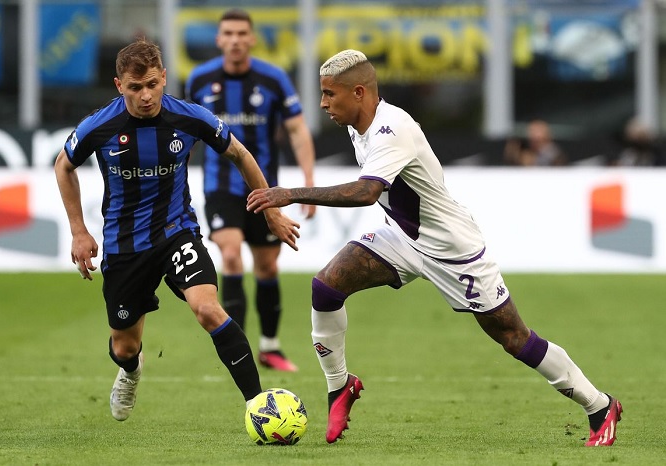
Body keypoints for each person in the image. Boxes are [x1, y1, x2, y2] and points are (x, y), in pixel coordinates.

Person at [247, 49, 621, 446]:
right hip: (403, 237)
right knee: (326, 286)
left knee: (514, 338)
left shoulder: (392, 128)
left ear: (359, 93)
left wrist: (290, 193)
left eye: (329, 94)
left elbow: (365, 192)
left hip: (453, 249)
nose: (323, 103)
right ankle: (339, 387)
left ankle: (599, 405)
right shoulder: (358, 123)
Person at [54, 38, 300, 422]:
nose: (146, 95)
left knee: (208, 309)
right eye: (135, 87)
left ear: (164, 78)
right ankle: (131, 370)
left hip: (176, 231)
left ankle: (258, 404)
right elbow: (63, 165)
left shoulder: (189, 117)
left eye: (152, 84)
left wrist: (270, 212)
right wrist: (79, 231)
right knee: (124, 346)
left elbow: (240, 154)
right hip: (124, 244)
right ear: (119, 86)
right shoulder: (100, 126)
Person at [185, 8, 316, 372]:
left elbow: (297, 129)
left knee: (267, 266)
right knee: (230, 255)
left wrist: (308, 180)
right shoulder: (199, 79)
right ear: (219, 39)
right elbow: (184, 131)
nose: (235, 40)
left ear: (252, 39)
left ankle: (270, 346)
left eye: (242, 33)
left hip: (264, 191)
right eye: (228, 33)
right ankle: (237, 349)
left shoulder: (273, 79)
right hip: (219, 187)